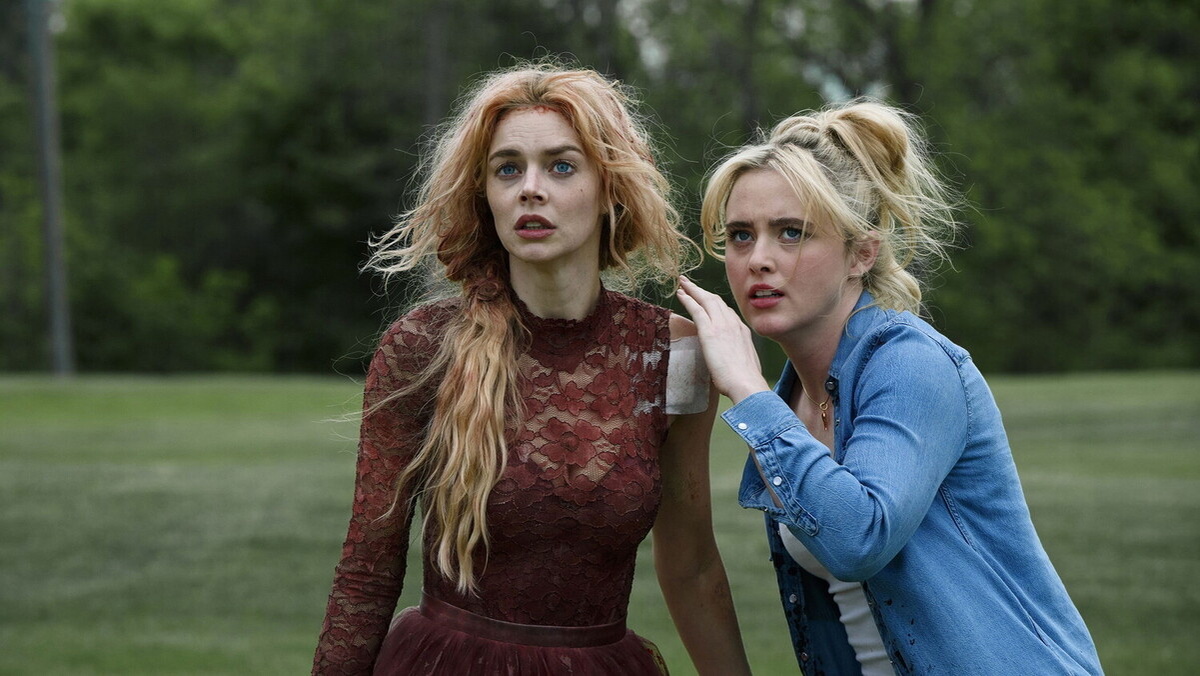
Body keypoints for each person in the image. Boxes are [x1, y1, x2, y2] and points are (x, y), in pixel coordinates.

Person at [312, 64, 751, 675]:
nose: (530, 189)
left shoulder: (671, 352)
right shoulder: (424, 346)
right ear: (484, 194)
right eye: (508, 169)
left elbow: (693, 564)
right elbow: (368, 568)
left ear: (610, 188)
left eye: (561, 167)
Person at [676, 99, 1103, 674]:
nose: (759, 259)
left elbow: (858, 538)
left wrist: (748, 392)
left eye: (791, 233)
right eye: (740, 236)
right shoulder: (791, 398)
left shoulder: (910, 364)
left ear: (861, 253)